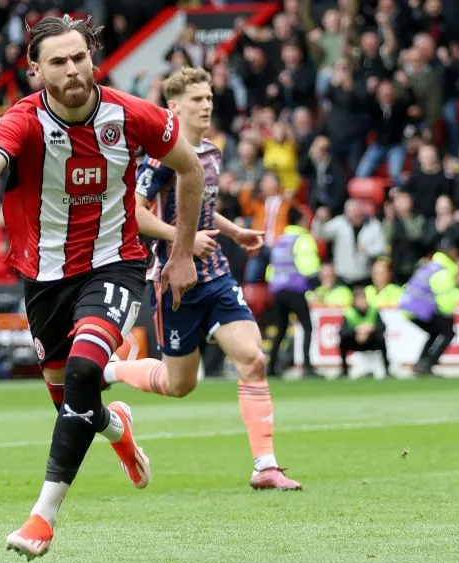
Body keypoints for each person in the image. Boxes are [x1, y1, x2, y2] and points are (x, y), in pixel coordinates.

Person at [0, 15, 205, 560]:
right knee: (72, 402)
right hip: (45, 280)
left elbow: (188, 170)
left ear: (93, 58)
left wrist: (183, 252)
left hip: (115, 265)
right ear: (35, 71)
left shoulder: (132, 115)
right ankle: (115, 426)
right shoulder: (23, 121)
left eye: (79, 57)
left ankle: (41, 519)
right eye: (57, 61)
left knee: (83, 371)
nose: (71, 69)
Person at [102, 67, 300, 491]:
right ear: (174, 107)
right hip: (175, 280)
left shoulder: (210, 151)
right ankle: (115, 372)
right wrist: (184, 242)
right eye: (197, 99)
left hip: (216, 275)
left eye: (209, 98)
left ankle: (265, 466)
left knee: (253, 359)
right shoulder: (159, 158)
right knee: (180, 385)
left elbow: (202, 205)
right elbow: (135, 215)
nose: (206, 105)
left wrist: (233, 231)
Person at [398, 236, 459, 375]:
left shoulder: (432, 265)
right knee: (448, 331)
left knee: (435, 332)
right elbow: (445, 302)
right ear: (452, 251)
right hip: (419, 308)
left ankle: (421, 363)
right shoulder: (442, 271)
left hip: (409, 307)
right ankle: (427, 364)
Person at [266, 207, 321, 377]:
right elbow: (308, 266)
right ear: (300, 220)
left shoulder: (280, 240)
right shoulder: (303, 238)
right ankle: (307, 366)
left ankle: (272, 367)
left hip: (278, 289)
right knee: (307, 327)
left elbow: (271, 270)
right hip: (295, 289)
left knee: (281, 329)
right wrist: (315, 285)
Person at [338, 286, 391, 378]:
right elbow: (342, 331)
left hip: (370, 340)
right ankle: (344, 371)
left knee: (381, 340)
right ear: (355, 301)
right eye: (360, 299)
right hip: (355, 341)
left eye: (364, 298)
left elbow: (382, 327)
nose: (363, 302)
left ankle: (387, 370)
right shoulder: (349, 312)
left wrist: (370, 329)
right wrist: (357, 330)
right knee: (342, 342)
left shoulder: (373, 310)